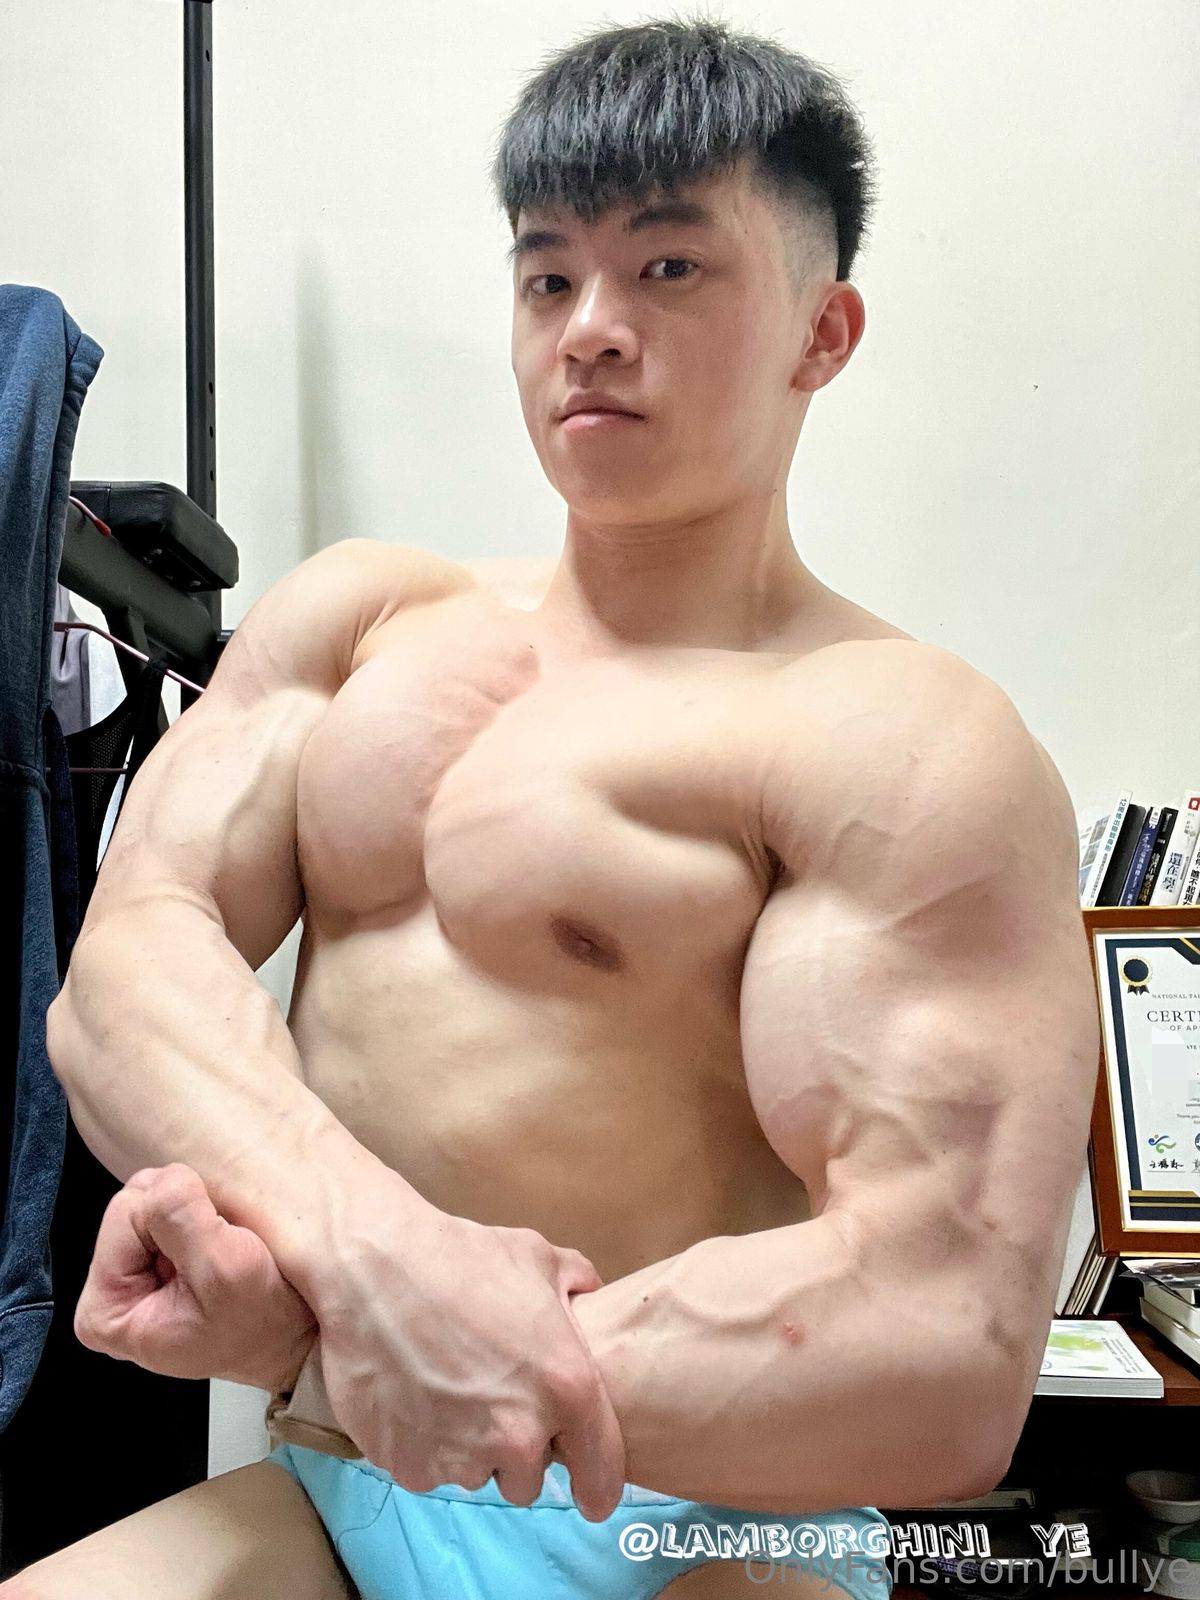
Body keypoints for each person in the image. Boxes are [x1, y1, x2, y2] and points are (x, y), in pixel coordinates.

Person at [4, 15, 1101, 1600]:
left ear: (824, 331)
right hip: (350, 1484)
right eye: (547, 277)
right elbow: (124, 970)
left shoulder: (910, 739)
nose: (590, 328)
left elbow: (950, 1340)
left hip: (705, 1521)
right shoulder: (361, 622)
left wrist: (343, 1329)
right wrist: (362, 1256)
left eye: (669, 267)